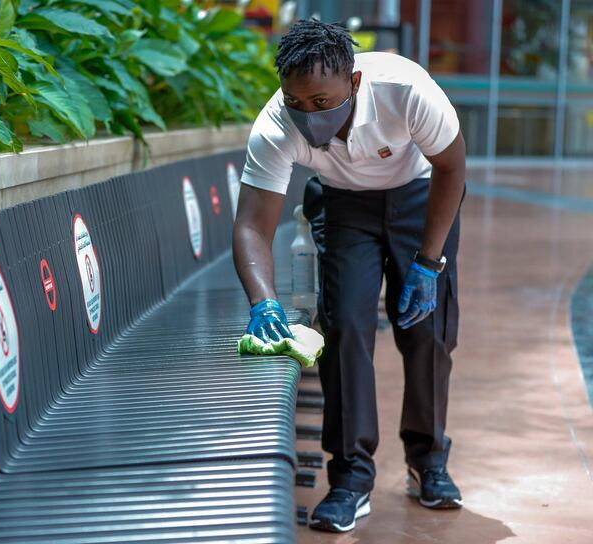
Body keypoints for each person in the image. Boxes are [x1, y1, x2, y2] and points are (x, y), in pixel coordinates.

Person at [232, 19, 466, 533]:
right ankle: (350, 478)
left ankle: (429, 462)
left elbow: (452, 167)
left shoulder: (405, 90)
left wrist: (428, 263)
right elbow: (252, 225)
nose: (309, 114)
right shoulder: (276, 125)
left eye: (322, 102)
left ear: (354, 83)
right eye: (297, 102)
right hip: (342, 208)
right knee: (346, 330)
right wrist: (263, 302)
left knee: (427, 333)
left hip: (419, 196)